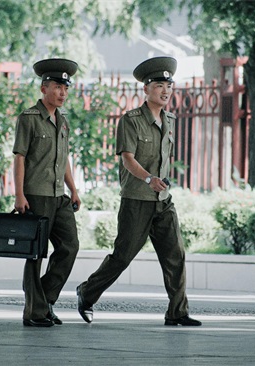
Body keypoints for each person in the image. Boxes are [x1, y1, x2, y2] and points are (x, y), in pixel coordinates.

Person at [76, 56, 202, 326]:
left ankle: (177, 312)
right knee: (122, 256)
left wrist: (160, 184)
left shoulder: (169, 119)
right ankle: (87, 293)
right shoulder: (131, 120)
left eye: (169, 85)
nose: (165, 91)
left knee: (175, 256)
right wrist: (149, 180)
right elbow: (128, 159)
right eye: (159, 86)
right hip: (137, 199)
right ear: (146, 89)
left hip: (163, 201)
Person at [13, 58, 81, 327]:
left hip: (59, 196)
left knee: (70, 246)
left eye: (66, 88)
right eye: (57, 87)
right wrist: (19, 195)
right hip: (36, 195)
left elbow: (63, 159)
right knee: (35, 255)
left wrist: (73, 189)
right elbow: (19, 158)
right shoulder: (28, 118)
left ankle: (44, 299)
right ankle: (34, 312)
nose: (63, 93)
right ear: (43, 89)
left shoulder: (63, 121)